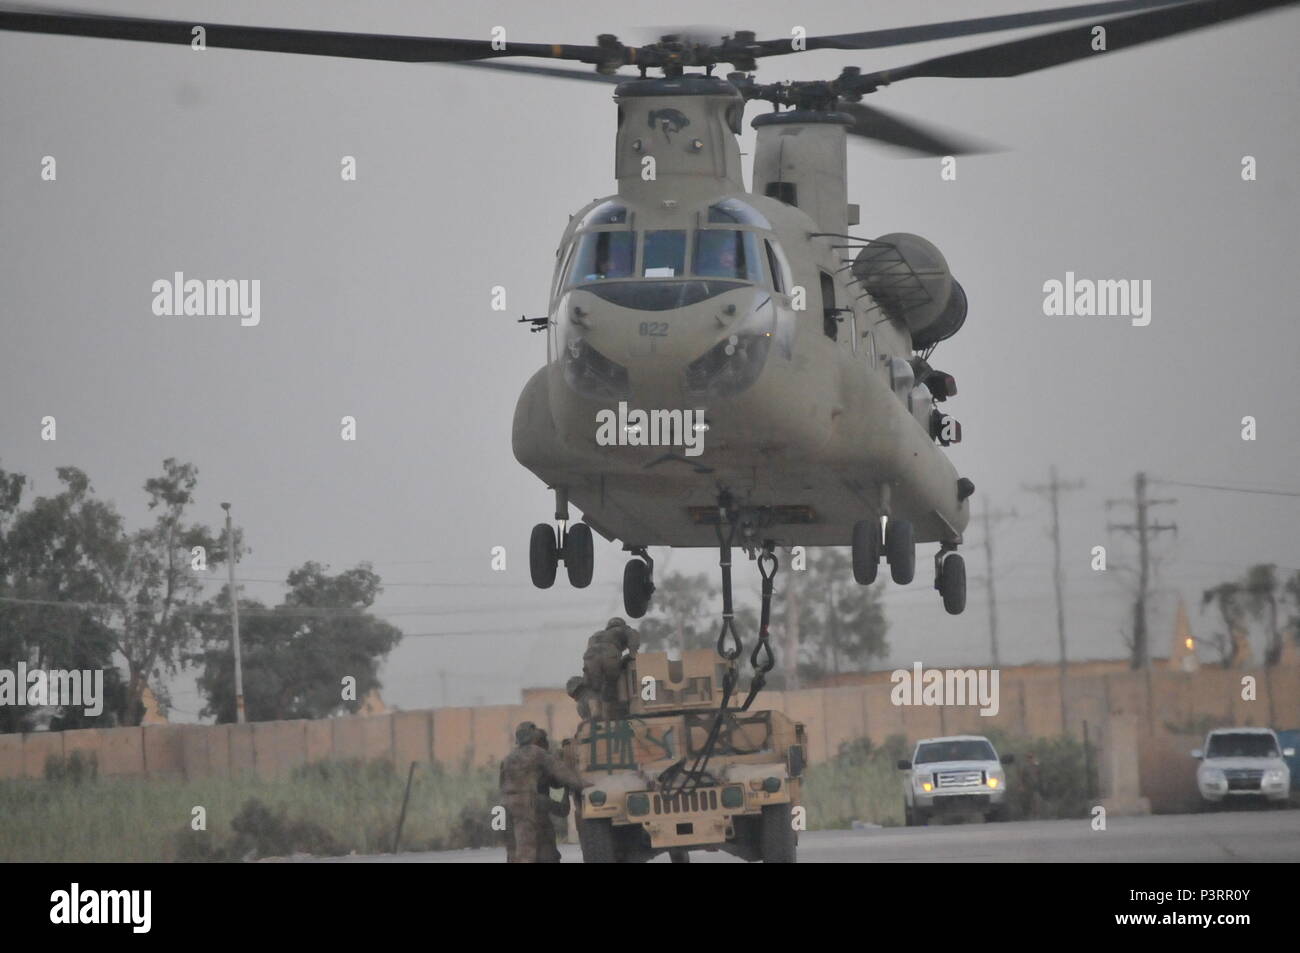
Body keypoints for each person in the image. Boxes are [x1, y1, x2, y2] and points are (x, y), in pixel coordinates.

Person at [499, 721, 588, 863]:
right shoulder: (537, 753)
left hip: (504, 808)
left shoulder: (508, 759)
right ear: (533, 737)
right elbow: (562, 773)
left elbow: (502, 785)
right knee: (527, 850)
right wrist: (584, 785)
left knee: (513, 849)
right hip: (526, 805)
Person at [579, 617, 640, 720]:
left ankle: (596, 712)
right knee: (613, 681)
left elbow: (589, 651)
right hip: (609, 653)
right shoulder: (623, 629)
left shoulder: (596, 635)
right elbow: (634, 640)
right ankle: (616, 711)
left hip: (590, 656)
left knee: (593, 687)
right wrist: (633, 655)